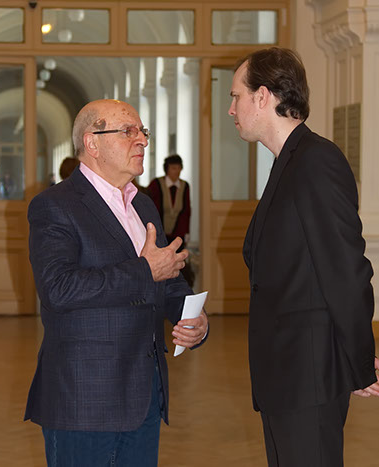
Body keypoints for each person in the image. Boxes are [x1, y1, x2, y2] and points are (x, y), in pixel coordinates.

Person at [24, 99, 208, 466]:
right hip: (84, 400)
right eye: (128, 131)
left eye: (143, 132)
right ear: (92, 143)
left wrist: (190, 316)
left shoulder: (143, 205)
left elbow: (166, 276)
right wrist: (144, 271)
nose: (142, 140)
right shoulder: (56, 205)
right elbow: (58, 288)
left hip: (144, 396)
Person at [228, 47, 379, 467]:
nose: (231, 109)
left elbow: (346, 270)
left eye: (236, 96)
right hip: (286, 374)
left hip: (309, 374)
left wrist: (359, 362)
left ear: (263, 96)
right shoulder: (288, 162)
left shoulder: (316, 161)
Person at [148, 155, 193, 286]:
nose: (176, 171)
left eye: (179, 168)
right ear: (167, 169)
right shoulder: (156, 184)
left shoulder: (184, 186)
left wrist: (186, 233)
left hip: (177, 234)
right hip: (160, 233)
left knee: (177, 268)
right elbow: (151, 208)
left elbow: (186, 210)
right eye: (173, 168)